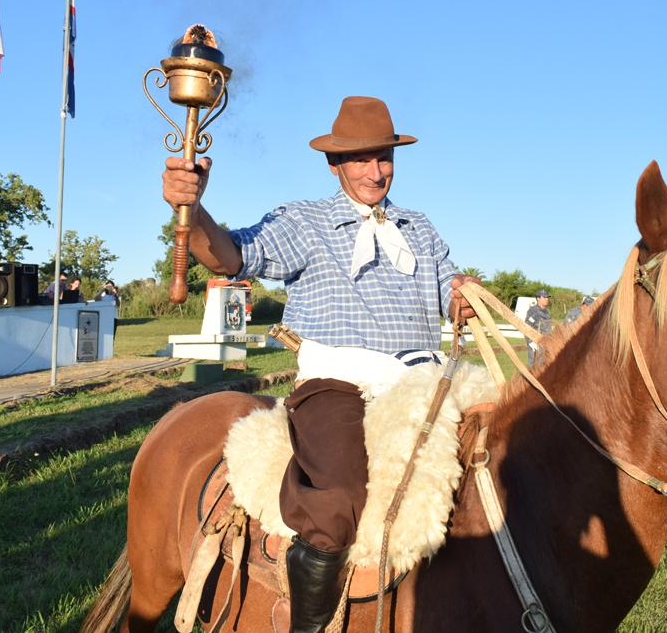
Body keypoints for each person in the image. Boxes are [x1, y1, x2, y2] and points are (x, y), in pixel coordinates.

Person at [162, 95, 479, 632]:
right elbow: (228, 255)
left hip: (425, 382)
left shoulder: (419, 228)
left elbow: (451, 284)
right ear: (335, 165)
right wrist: (190, 210)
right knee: (336, 505)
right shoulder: (304, 222)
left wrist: (462, 294)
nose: (375, 173)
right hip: (339, 383)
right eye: (360, 159)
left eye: (384, 158)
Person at [524, 289, 553, 367]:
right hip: (535, 343)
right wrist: (530, 342)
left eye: (547, 297)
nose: (547, 299)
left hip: (545, 343)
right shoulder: (533, 311)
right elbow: (527, 327)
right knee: (534, 366)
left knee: (544, 366)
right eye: (544, 297)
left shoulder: (547, 312)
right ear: (538, 298)